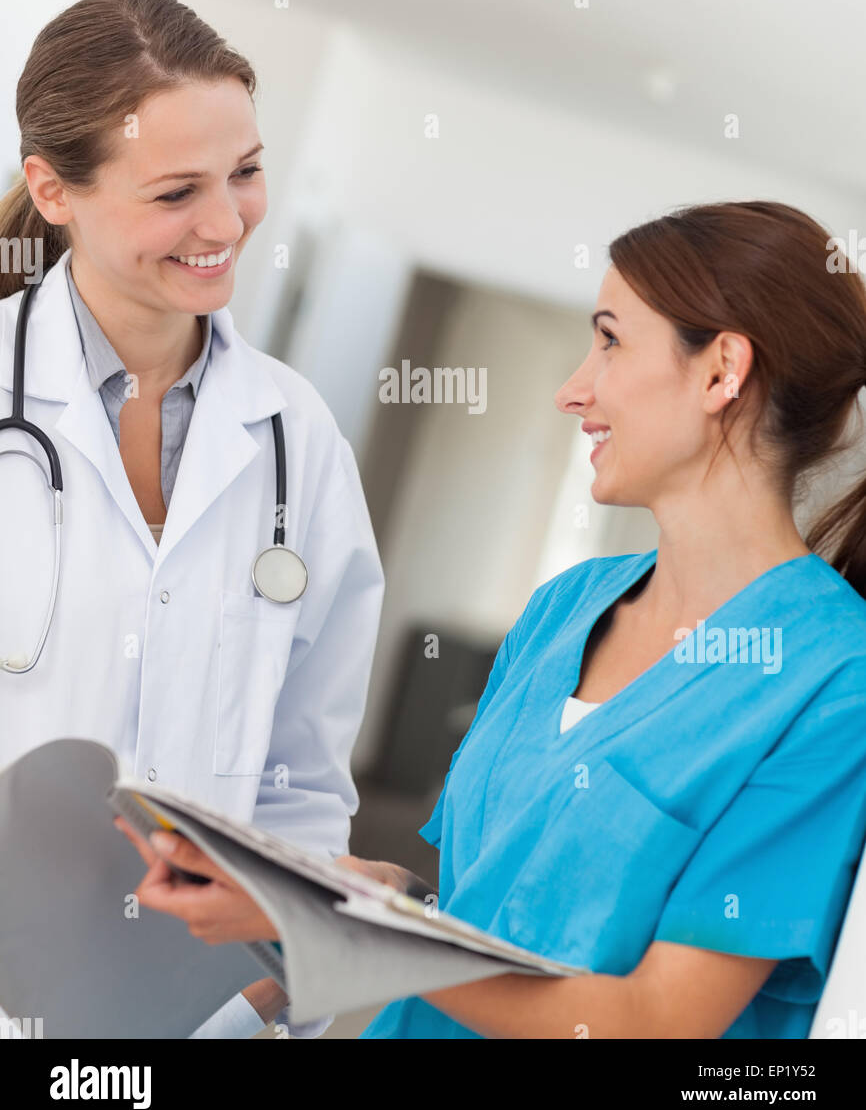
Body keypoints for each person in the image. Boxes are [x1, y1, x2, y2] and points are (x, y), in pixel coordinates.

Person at [119, 199, 866, 1039]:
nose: (573, 389)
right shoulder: (565, 609)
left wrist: (356, 929)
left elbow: (656, 1021)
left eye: (611, 340)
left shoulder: (835, 683)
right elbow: (490, 906)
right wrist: (327, 900)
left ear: (721, 370)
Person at [0, 0, 385, 1039]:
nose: (225, 223)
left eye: (245, 173)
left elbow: (304, 777)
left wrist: (264, 991)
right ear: (53, 189)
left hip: (187, 1021)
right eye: (177, 191)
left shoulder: (295, 443)